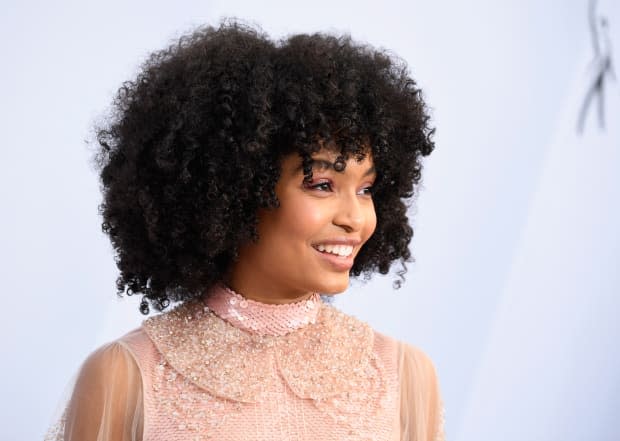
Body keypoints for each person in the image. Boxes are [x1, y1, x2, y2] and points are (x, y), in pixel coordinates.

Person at [46, 20, 444, 441]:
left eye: (366, 189)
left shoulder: (402, 376)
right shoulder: (127, 376)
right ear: (236, 187)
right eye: (322, 184)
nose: (356, 218)